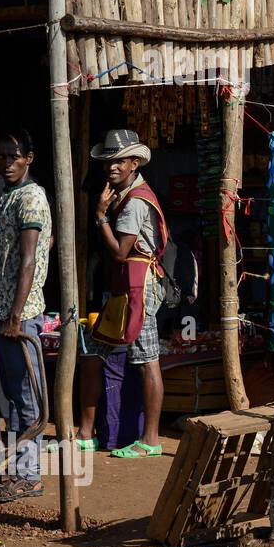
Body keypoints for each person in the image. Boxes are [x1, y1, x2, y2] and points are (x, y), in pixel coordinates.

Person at [78, 130, 169, 458]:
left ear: (134, 163)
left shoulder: (135, 202)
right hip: (124, 288)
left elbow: (120, 252)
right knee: (93, 352)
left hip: (139, 288)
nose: (112, 167)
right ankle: (85, 433)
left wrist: (100, 216)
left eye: (119, 161)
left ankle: (151, 440)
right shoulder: (124, 193)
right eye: (108, 161)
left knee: (146, 361)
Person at [0, 129, 51, 502]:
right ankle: (16, 470)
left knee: (27, 397)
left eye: (13, 156)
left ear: (29, 158)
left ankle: (29, 474)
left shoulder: (30, 197)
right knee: (11, 397)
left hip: (20, 316)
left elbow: (29, 259)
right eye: (1, 156)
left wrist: (14, 315)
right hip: (1, 313)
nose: (6, 162)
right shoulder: (8, 196)